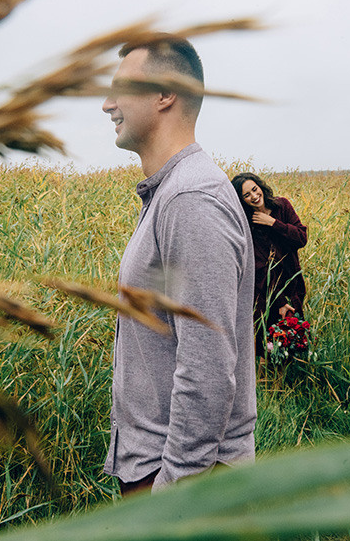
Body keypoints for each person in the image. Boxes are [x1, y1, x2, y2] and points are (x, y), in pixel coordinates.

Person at [102, 35, 256, 494]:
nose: (107, 104)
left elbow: (207, 363)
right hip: (160, 467)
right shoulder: (170, 193)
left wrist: (172, 493)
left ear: (164, 94)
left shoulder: (190, 199)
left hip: (180, 482)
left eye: (120, 88)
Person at [230, 171, 309, 356]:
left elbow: (301, 238)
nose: (254, 196)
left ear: (261, 187)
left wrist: (273, 223)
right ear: (242, 200)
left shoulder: (282, 206)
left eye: (255, 190)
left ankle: (294, 379)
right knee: (270, 345)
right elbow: (259, 266)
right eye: (247, 195)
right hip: (265, 293)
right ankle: (270, 382)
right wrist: (279, 301)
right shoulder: (247, 224)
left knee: (295, 341)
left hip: (293, 284)